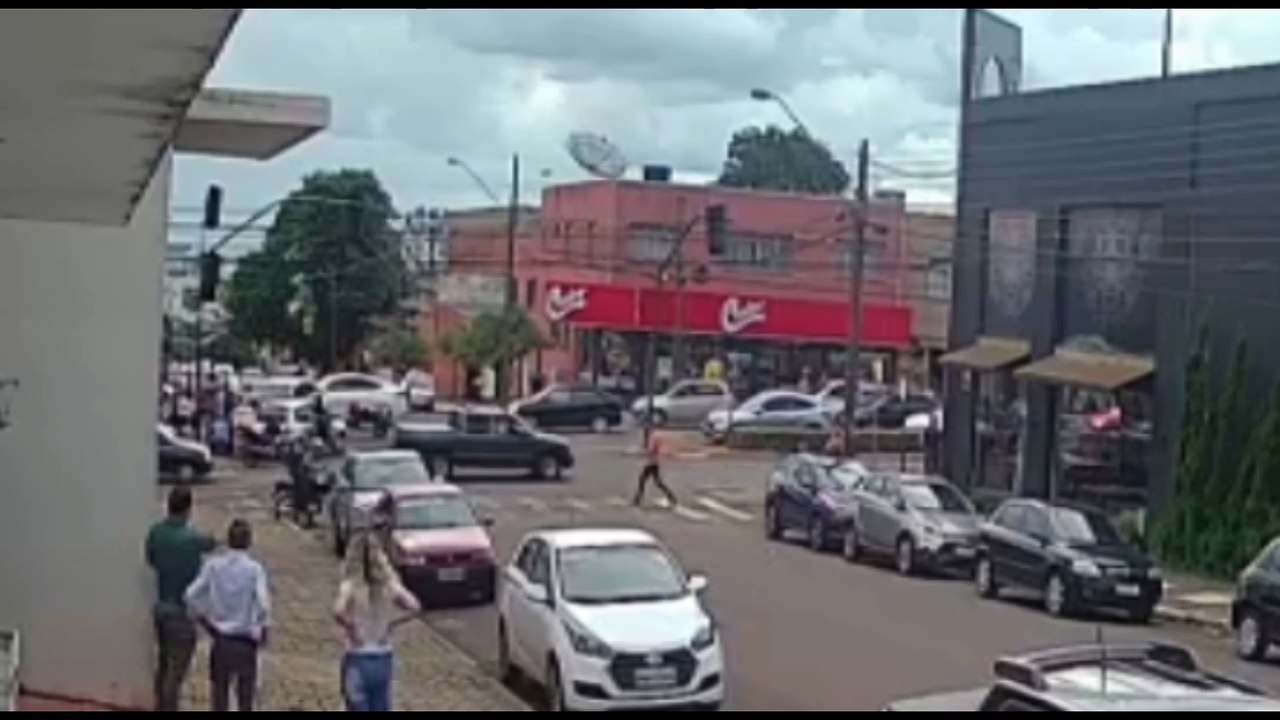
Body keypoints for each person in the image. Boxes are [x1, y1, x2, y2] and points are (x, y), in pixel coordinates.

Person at [185, 519, 272, 712]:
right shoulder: (254, 570)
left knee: (219, 693)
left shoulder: (213, 566)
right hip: (245, 640)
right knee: (245, 695)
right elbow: (264, 605)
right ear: (249, 541)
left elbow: (191, 595)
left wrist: (203, 620)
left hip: (221, 638)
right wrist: (263, 630)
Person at [144, 486, 216, 712]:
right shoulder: (192, 539)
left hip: (161, 607)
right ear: (188, 509)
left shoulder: (156, 533)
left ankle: (159, 704)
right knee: (176, 673)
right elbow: (211, 543)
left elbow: (151, 559)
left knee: (164, 664)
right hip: (181, 611)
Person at [333, 533, 421, 712]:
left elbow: (337, 611)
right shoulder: (390, 585)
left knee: (356, 703)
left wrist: (351, 627)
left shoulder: (350, 585)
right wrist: (392, 623)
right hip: (383, 655)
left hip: (357, 655)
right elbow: (415, 607)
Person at [632, 425, 678, 508]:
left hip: (652, 462)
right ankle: (671, 498)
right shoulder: (655, 435)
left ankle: (637, 500)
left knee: (643, 480)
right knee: (656, 482)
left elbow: (651, 449)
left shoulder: (652, 437)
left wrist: (641, 453)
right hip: (654, 462)